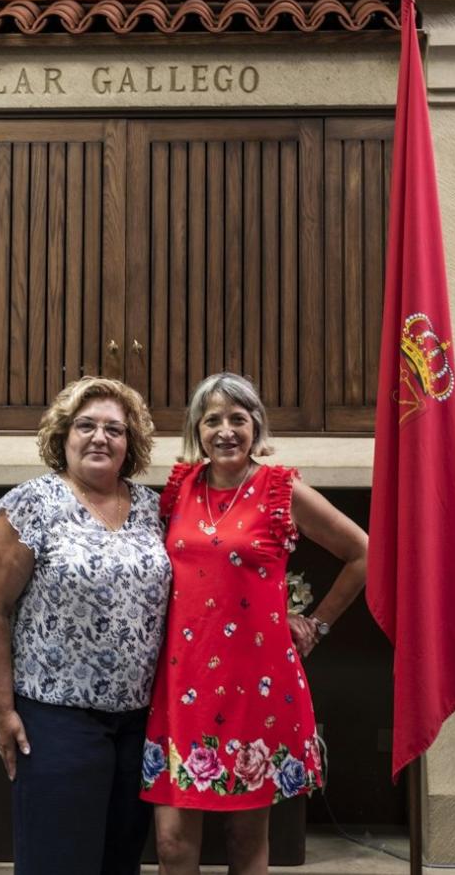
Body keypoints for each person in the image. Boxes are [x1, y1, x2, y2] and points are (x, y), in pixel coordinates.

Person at [141, 372, 368, 875]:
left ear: (256, 426)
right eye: (213, 419)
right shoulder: (179, 489)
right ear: (196, 429)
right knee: (173, 843)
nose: (226, 430)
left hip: (252, 685)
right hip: (181, 681)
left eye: (238, 419)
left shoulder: (282, 489)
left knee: (246, 839)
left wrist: (316, 623)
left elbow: (364, 554)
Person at [0, 377, 172, 875]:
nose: (100, 437)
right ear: (64, 435)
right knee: (58, 862)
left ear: (132, 445)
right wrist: (1, 710)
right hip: (56, 721)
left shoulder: (154, 509)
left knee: (120, 860)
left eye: (114, 429)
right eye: (86, 426)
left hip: (139, 722)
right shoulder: (31, 505)